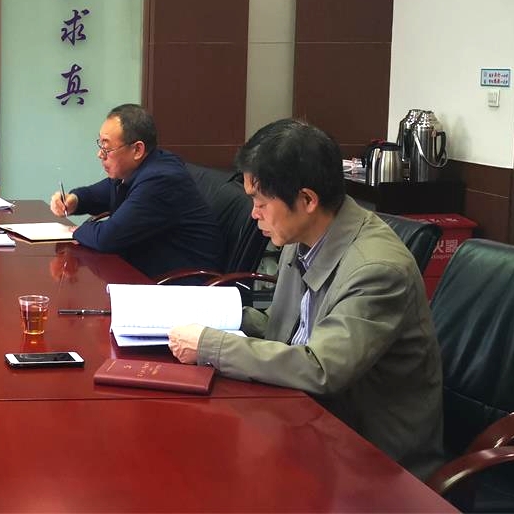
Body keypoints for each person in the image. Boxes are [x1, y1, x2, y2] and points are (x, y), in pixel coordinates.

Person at [167, 119, 446, 480]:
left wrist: (210, 345)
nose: (253, 214)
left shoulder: (377, 270)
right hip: (305, 419)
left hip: (372, 459)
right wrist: (211, 314)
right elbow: (284, 328)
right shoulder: (302, 235)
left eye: (261, 202)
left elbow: (321, 368)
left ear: (307, 200)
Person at [50, 103, 221, 277]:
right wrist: (74, 200)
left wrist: (77, 231)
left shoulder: (161, 180)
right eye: (100, 145)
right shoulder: (139, 168)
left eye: (107, 147)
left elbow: (107, 238)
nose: (100, 154)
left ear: (137, 150)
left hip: (182, 283)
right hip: (144, 271)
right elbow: (99, 193)